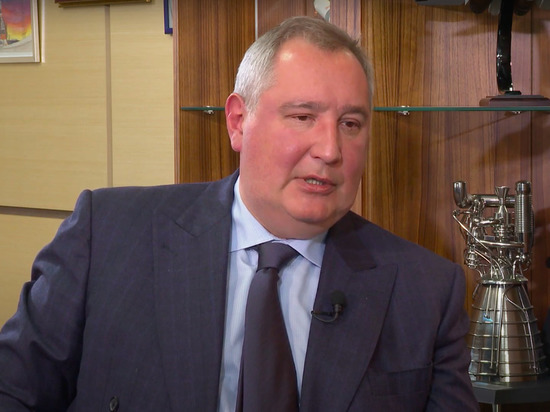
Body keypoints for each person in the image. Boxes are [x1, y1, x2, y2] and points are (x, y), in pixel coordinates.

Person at [0, 16, 479, 411]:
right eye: (303, 117)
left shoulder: (426, 291)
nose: (331, 150)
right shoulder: (107, 236)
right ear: (238, 121)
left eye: (350, 124)